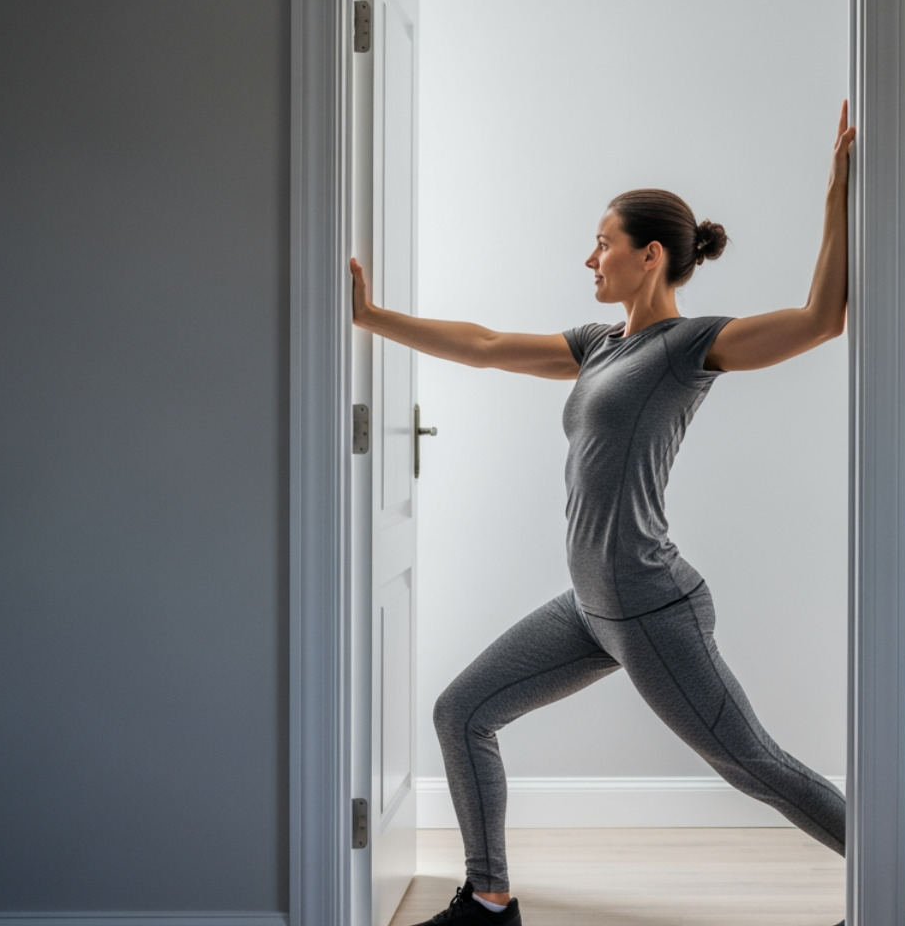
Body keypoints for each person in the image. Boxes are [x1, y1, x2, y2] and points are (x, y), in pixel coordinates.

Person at [351, 102, 856, 926]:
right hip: (591, 605)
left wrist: (836, 201)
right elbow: (482, 344)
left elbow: (820, 321)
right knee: (463, 712)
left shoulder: (691, 346)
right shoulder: (599, 345)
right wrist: (371, 317)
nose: (590, 256)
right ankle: (488, 901)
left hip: (653, 606)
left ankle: (902, 883)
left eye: (604, 242)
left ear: (648, 255)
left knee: (754, 765)